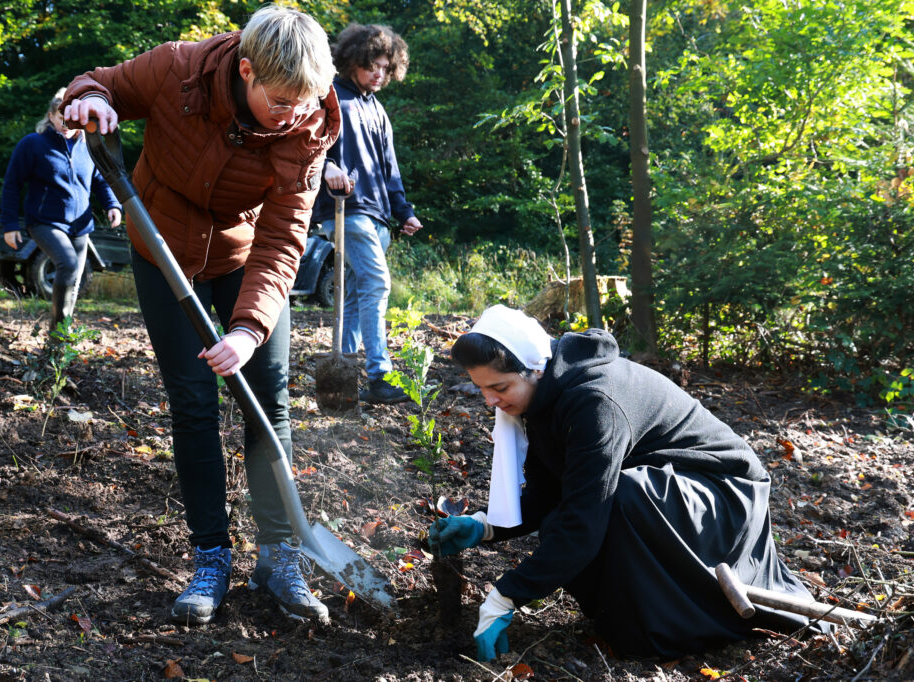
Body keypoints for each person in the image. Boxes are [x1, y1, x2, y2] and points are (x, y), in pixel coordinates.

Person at [62, 6, 339, 625]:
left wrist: (247, 329)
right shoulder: (176, 70)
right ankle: (211, 555)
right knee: (193, 401)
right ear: (245, 71)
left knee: (267, 399)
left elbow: (284, 237)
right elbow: (91, 83)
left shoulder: (309, 124)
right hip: (162, 251)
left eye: (306, 101)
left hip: (246, 256)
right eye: (281, 101)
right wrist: (91, 102)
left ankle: (278, 557)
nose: (294, 114)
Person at [429, 305, 831, 661]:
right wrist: (486, 526)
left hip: (723, 496)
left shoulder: (594, 402)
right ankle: (631, 622)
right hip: (664, 488)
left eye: (500, 388)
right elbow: (552, 491)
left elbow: (584, 518)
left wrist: (506, 595)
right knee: (584, 510)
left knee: (618, 499)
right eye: (482, 389)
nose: (490, 402)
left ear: (534, 367)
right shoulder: (545, 396)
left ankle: (674, 625)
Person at [311, 23, 423, 404]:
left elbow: (389, 170)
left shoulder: (378, 111)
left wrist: (403, 211)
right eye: (373, 65)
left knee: (357, 296)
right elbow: (308, 144)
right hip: (345, 209)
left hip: (378, 217)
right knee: (378, 284)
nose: (379, 73)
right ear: (354, 59)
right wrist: (327, 166)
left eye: (386, 68)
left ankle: (340, 379)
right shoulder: (329, 97)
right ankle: (380, 375)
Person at [0, 88, 122, 334]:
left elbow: (100, 180)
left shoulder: (89, 147)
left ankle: (61, 333)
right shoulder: (33, 144)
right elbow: (12, 184)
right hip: (44, 222)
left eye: (71, 120)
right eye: (60, 118)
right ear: (50, 116)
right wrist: (10, 224)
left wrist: (112, 205)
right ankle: (58, 336)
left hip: (80, 225)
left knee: (75, 280)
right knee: (67, 264)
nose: (65, 124)